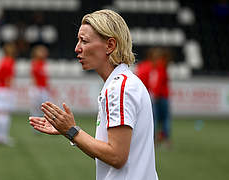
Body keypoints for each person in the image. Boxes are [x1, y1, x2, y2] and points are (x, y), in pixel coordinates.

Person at [29, 9, 158, 180]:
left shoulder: (119, 87)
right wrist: (69, 132)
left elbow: (116, 156)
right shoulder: (121, 83)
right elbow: (108, 152)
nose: (77, 48)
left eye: (84, 41)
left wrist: (72, 130)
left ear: (110, 45)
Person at [0, 42, 16, 146]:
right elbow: (8, 79)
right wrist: (10, 91)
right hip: (5, 90)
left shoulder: (2, 61)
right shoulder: (10, 61)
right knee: (5, 114)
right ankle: (3, 137)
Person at [148, 48, 171, 148]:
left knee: (159, 119)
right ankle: (161, 139)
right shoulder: (159, 68)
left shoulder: (160, 68)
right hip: (160, 97)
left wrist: (155, 94)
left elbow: (158, 84)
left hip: (160, 97)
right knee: (162, 119)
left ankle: (159, 139)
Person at [29, 45, 51, 118]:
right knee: (36, 110)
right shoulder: (35, 63)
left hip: (43, 88)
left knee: (46, 110)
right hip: (37, 88)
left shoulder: (44, 63)